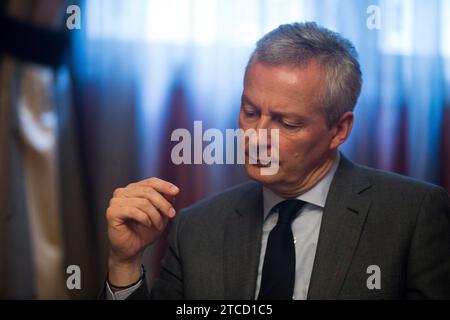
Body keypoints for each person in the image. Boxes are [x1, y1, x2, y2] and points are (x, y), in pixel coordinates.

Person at [104, 22, 450, 300]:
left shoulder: (413, 215)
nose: (257, 136)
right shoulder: (196, 228)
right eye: (250, 112)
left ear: (339, 129)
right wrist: (125, 262)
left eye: (287, 123)